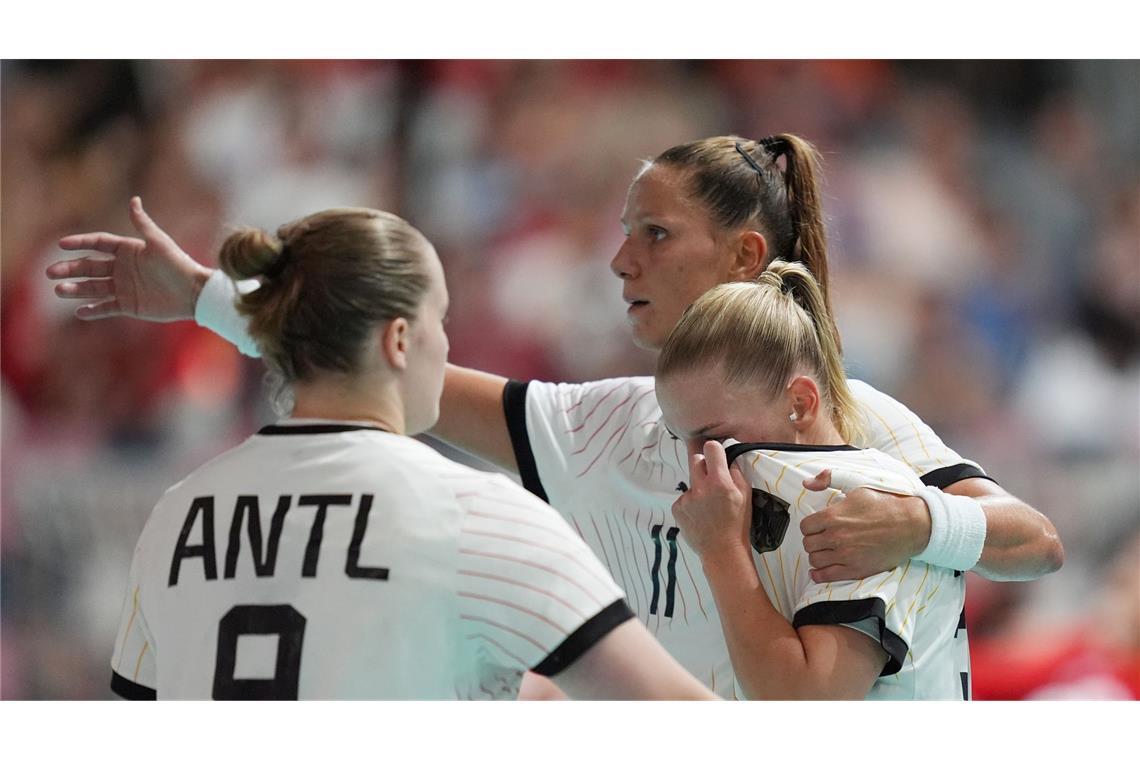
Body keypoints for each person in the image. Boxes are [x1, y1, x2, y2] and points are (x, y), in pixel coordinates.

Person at [49, 134, 1062, 699]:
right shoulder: (597, 424)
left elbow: (1035, 541)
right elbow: (382, 374)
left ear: (746, 258)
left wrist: (926, 523)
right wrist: (208, 300)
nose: (621, 261)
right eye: (622, 234)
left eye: (655, 235)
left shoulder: (848, 424)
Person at [101, 201, 715, 699]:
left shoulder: (179, 514)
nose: (446, 349)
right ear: (399, 338)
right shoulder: (477, 515)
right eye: (440, 321)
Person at [658, 260, 969, 699]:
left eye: (715, 437)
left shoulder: (857, 500)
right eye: (681, 439)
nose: (699, 465)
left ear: (800, 404)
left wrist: (720, 550)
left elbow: (805, 703)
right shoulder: (766, 493)